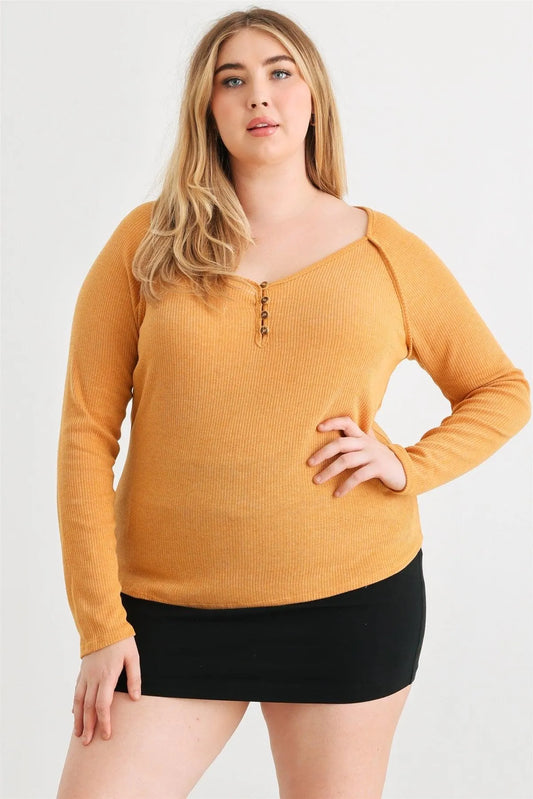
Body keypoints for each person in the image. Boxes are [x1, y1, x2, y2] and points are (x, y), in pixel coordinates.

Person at [54, 7, 531, 799]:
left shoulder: (383, 251)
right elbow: (84, 436)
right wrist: (100, 624)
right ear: (207, 108)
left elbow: (501, 388)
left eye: (279, 72)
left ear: (312, 97)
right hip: (166, 614)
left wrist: (407, 465)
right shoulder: (146, 244)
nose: (258, 95)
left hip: (350, 603)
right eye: (231, 79)